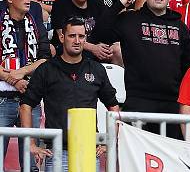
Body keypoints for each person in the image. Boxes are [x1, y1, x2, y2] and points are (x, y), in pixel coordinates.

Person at [92, 0, 190, 138]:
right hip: (138, 101)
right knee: (135, 161)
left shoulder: (180, 27)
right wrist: (118, 5)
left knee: (171, 160)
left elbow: (188, 66)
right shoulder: (130, 20)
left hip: (171, 105)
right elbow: (99, 33)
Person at [20, 17, 119, 171]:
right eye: (72, 36)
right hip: (57, 153)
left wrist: (109, 142)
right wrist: (30, 144)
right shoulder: (46, 69)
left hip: (89, 152)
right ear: (61, 37)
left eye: (81, 36)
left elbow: (113, 107)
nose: (77, 41)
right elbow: (25, 106)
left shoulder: (96, 69)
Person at [0, 0, 49, 163]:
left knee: (30, 164)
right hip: (2, 99)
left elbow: (46, 57)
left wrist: (21, 72)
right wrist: (12, 79)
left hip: (31, 99)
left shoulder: (36, 24)